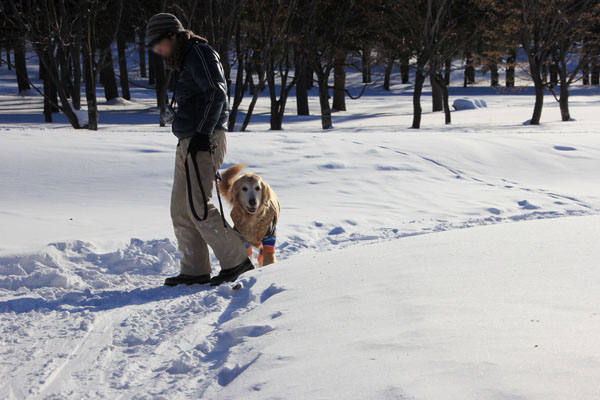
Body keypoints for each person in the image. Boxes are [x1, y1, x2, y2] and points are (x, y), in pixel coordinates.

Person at [146, 13, 253, 286]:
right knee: (181, 209)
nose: (157, 51)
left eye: (159, 44)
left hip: (204, 139)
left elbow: (217, 93)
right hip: (189, 140)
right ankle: (194, 270)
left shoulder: (199, 53)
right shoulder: (184, 59)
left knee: (198, 207)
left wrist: (202, 134)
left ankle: (237, 262)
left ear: (173, 35)